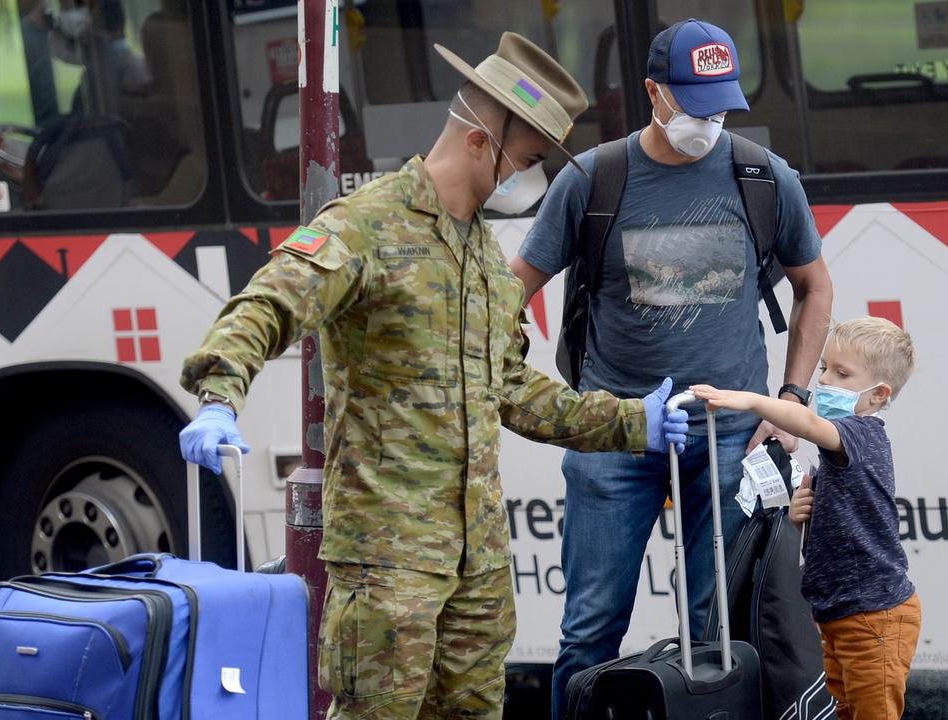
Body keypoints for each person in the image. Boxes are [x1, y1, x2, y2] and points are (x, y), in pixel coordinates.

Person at [178, 33, 688, 720]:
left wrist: (634, 423)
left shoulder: (482, 254)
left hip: (475, 565)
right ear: (483, 140)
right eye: (526, 160)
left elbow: (511, 389)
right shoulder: (366, 227)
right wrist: (218, 395)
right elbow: (269, 303)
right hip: (387, 562)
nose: (524, 180)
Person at [508, 18, 835, 716]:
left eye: (719, 105)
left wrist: (789, 404)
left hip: (728, 436)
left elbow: (816, 288)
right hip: (616, 433)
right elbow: (510, 290)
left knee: (718, 633)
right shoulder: (595, 179)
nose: (707, 121)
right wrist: (520, 390)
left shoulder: (763, 178)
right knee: (589, 629)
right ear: (652, 91)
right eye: (692, 104)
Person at [693, 316, 921, 720]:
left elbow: (811, 424)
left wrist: (753, 401)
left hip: (874, 618)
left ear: (878, 394)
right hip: (839, 614)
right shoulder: (842, 448)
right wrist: (805, 514)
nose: (825, 382)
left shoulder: (859, 434)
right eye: (824, 369)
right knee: (846, 710)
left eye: (842, 373)